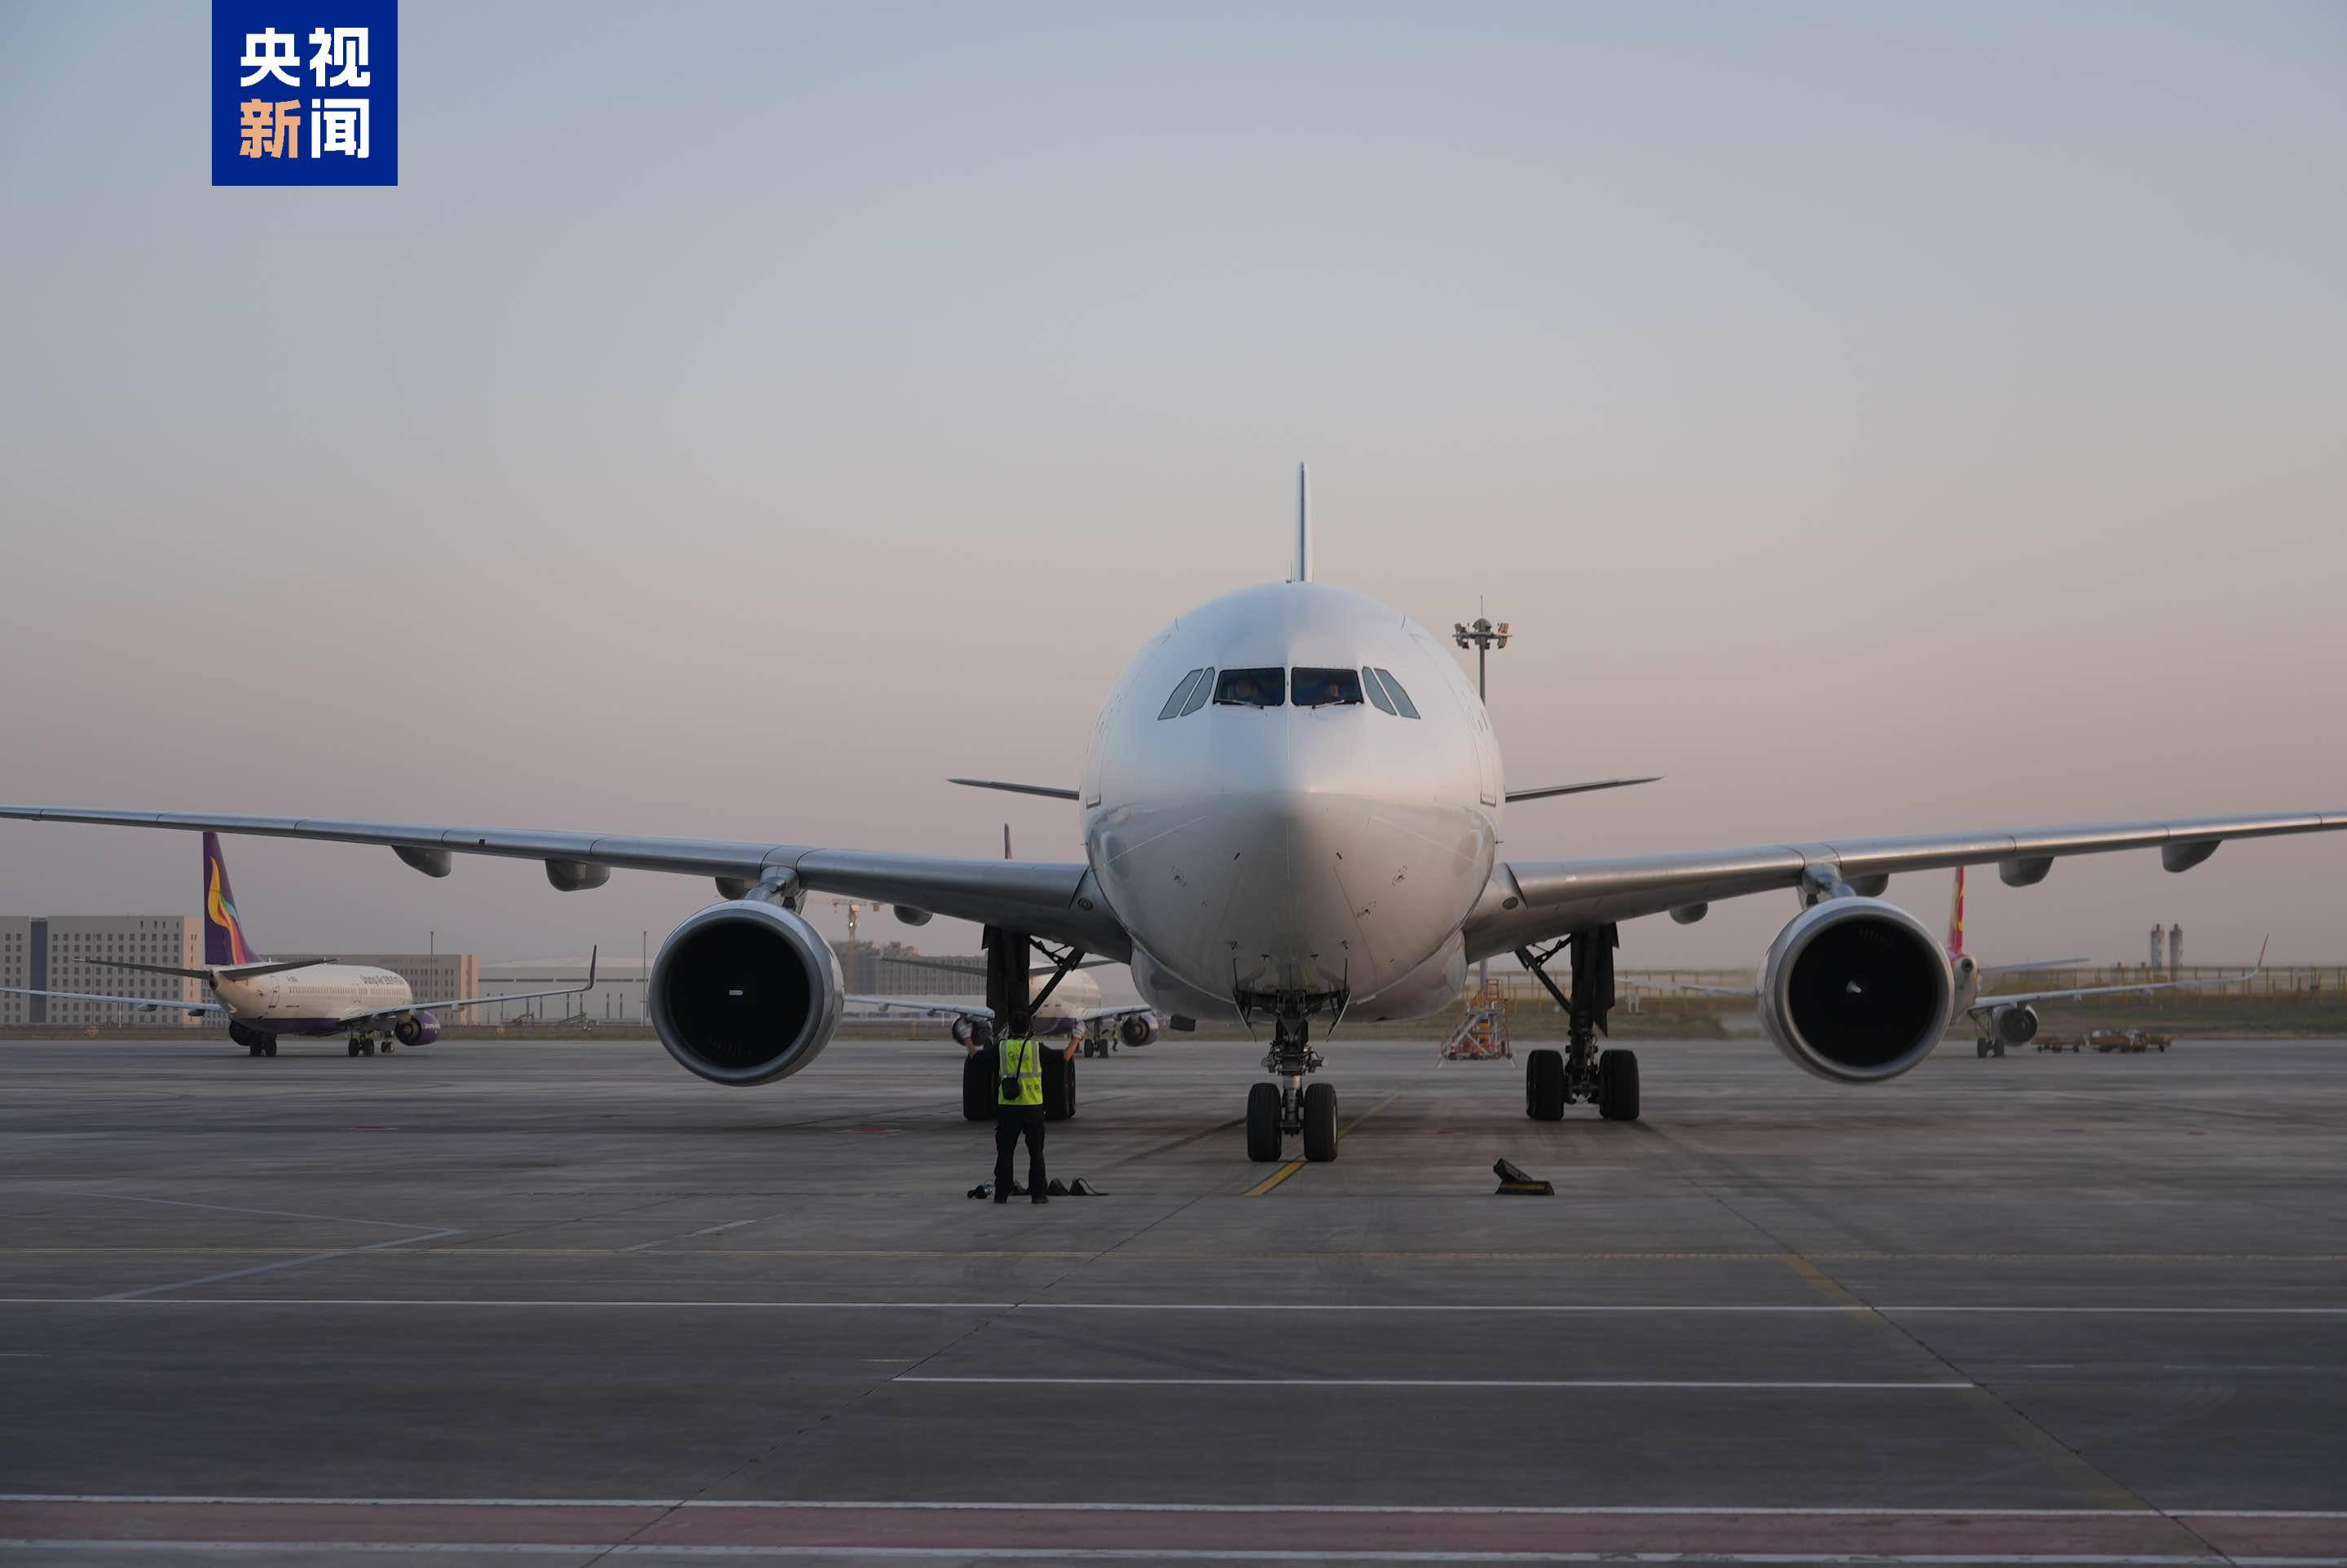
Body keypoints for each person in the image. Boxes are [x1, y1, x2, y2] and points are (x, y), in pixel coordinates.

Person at [993, 1023, 1049, 1204]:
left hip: (1008, 1108)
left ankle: (1001, 1195)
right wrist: (1077, 1037)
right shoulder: (1036, 1047)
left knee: (1005, 1152)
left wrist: (968, 1039)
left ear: (1010, 1030)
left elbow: (976, 1057)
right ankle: (1039, 1195)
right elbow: (1064, 1057)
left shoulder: (1002, 1047)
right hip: (1033, 1107)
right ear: (1029, 1030)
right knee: (1036, 1153)